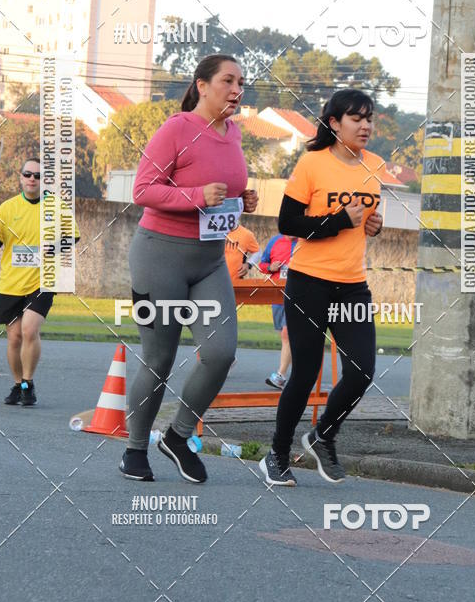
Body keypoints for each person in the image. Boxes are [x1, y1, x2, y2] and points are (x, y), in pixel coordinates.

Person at [120, 54, 258, 483]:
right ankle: (135, 450)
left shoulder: (233, 133)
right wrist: (197, 195)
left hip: (210, 261)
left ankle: (178, 437)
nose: (236, 90)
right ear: (202, 85)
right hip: (159, 256)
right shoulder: (177, 129)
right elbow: (143, 189)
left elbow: (223, 198)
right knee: (159, 358)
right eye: (228, 81)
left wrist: (243, 202)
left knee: (220, 354)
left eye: (241, 83)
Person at [260, 88, 383, 487]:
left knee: (362, 370)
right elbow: (287, 223)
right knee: (306, 371)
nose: (365, 125)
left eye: (369, 118)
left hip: (352, 286)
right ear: (334, 123)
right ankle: (276, 455)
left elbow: (363, 222)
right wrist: (338, 221)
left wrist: (372, 226)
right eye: (356, 118)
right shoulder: (312, 164)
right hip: (309, 282)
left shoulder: (376, 166)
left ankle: (322, 435)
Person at [0, 157, 80, 407]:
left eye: (38, 175)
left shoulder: (56, 206)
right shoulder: (8, 207)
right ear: (21, 178)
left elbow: (74, 237)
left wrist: (53, 247)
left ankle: (28, 383)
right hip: (12, 283)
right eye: (28, 174)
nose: (33, 179)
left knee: (29, 330)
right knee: (14, 338)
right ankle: (17, 384)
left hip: (42, 281)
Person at [259, 233, 296, 389]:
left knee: (287, 333)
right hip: (277, 295)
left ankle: (280, 376)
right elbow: (262, 265)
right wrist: (270, 268)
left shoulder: (306, 242)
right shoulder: (275, 240)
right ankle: (297, 373)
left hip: (297, 293)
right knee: (287, 336)